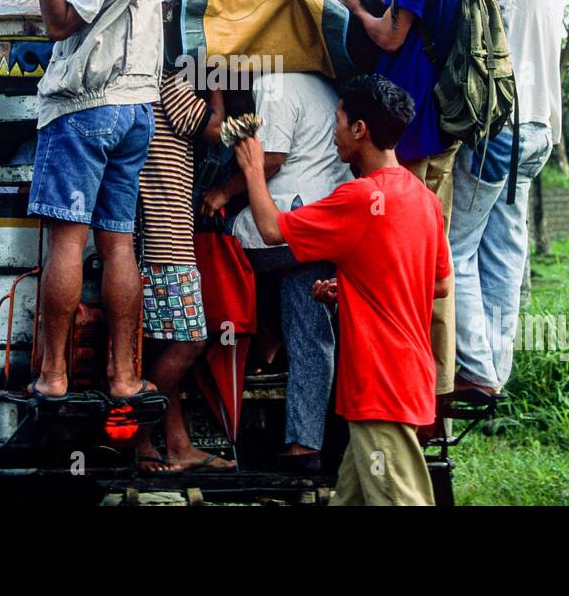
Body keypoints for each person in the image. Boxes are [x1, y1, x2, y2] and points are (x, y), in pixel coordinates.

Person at [232, 74, 451, 505]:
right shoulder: (422, 197)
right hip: (404, 377)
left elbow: (272, 229)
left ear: (359, 130)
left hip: (380, 386)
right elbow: (439, 283)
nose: (333, 131)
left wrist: (253, 169)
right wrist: (353, 286)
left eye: (338, 121)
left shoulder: (357, 198)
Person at [316, 0, 473, 411]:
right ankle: (437, 382)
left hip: (405, 128)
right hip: (438, 123)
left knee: (402, 257)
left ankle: (410, 380)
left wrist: (354, 4)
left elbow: (391, 34)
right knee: (434, 256)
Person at [27, 0, 171, 407]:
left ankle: (54, 376)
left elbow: (59, 24)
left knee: (67, 239)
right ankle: (123, 376)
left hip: (84, 107)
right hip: (138, 109)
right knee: (117, 245)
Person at [200, 71, 351, 472]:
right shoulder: (319, 84)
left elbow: (269, 160)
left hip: (289, 223)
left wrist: (221, 193)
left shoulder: (274, 83)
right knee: (311, 331)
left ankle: (257, 336)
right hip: (323, 227)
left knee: (220, 242)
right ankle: (306, 444)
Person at [450, 0, 564, 396]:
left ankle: (477, 370)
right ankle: (498, 366)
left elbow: (444, 0)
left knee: (456, 248)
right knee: (505, 251)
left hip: (497, 127)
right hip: (538, 130)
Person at [133, 71, 234, 473]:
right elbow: (220, 131)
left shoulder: (139, 81)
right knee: (189, 343)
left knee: (163, 344)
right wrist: (216, 85)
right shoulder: (166, 83)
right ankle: (139, 436)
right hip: (167, 239)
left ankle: (177, 445)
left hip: (151, 235)